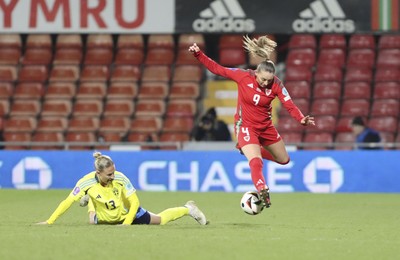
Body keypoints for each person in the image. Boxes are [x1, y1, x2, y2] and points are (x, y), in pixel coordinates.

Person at [189, 35, 315, 208]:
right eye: (263, 79)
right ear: (256, 73)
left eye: (268, 80)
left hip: (266, 127)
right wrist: (199, 55)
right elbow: (218, 69)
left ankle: (247, 148)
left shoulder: (277, 85)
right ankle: (262, 187)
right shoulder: (243, 76)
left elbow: (289, 104)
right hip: (246, 126)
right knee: (256, 161)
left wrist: (301, 118)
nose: (265, 83)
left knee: (284, 159)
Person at [37, 152, 208, 225]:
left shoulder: (120, 178)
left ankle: (188, 209)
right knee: (92, 218)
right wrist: (49, 221)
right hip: (106, 215)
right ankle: (89, 198)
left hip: (127, 213)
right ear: (98, 172)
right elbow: (67, 202)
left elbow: (134, 201)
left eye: (113, 172)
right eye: (109, 175)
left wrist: (127, 223)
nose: (113, 176)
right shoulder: (85, 182)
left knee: (160, 220)